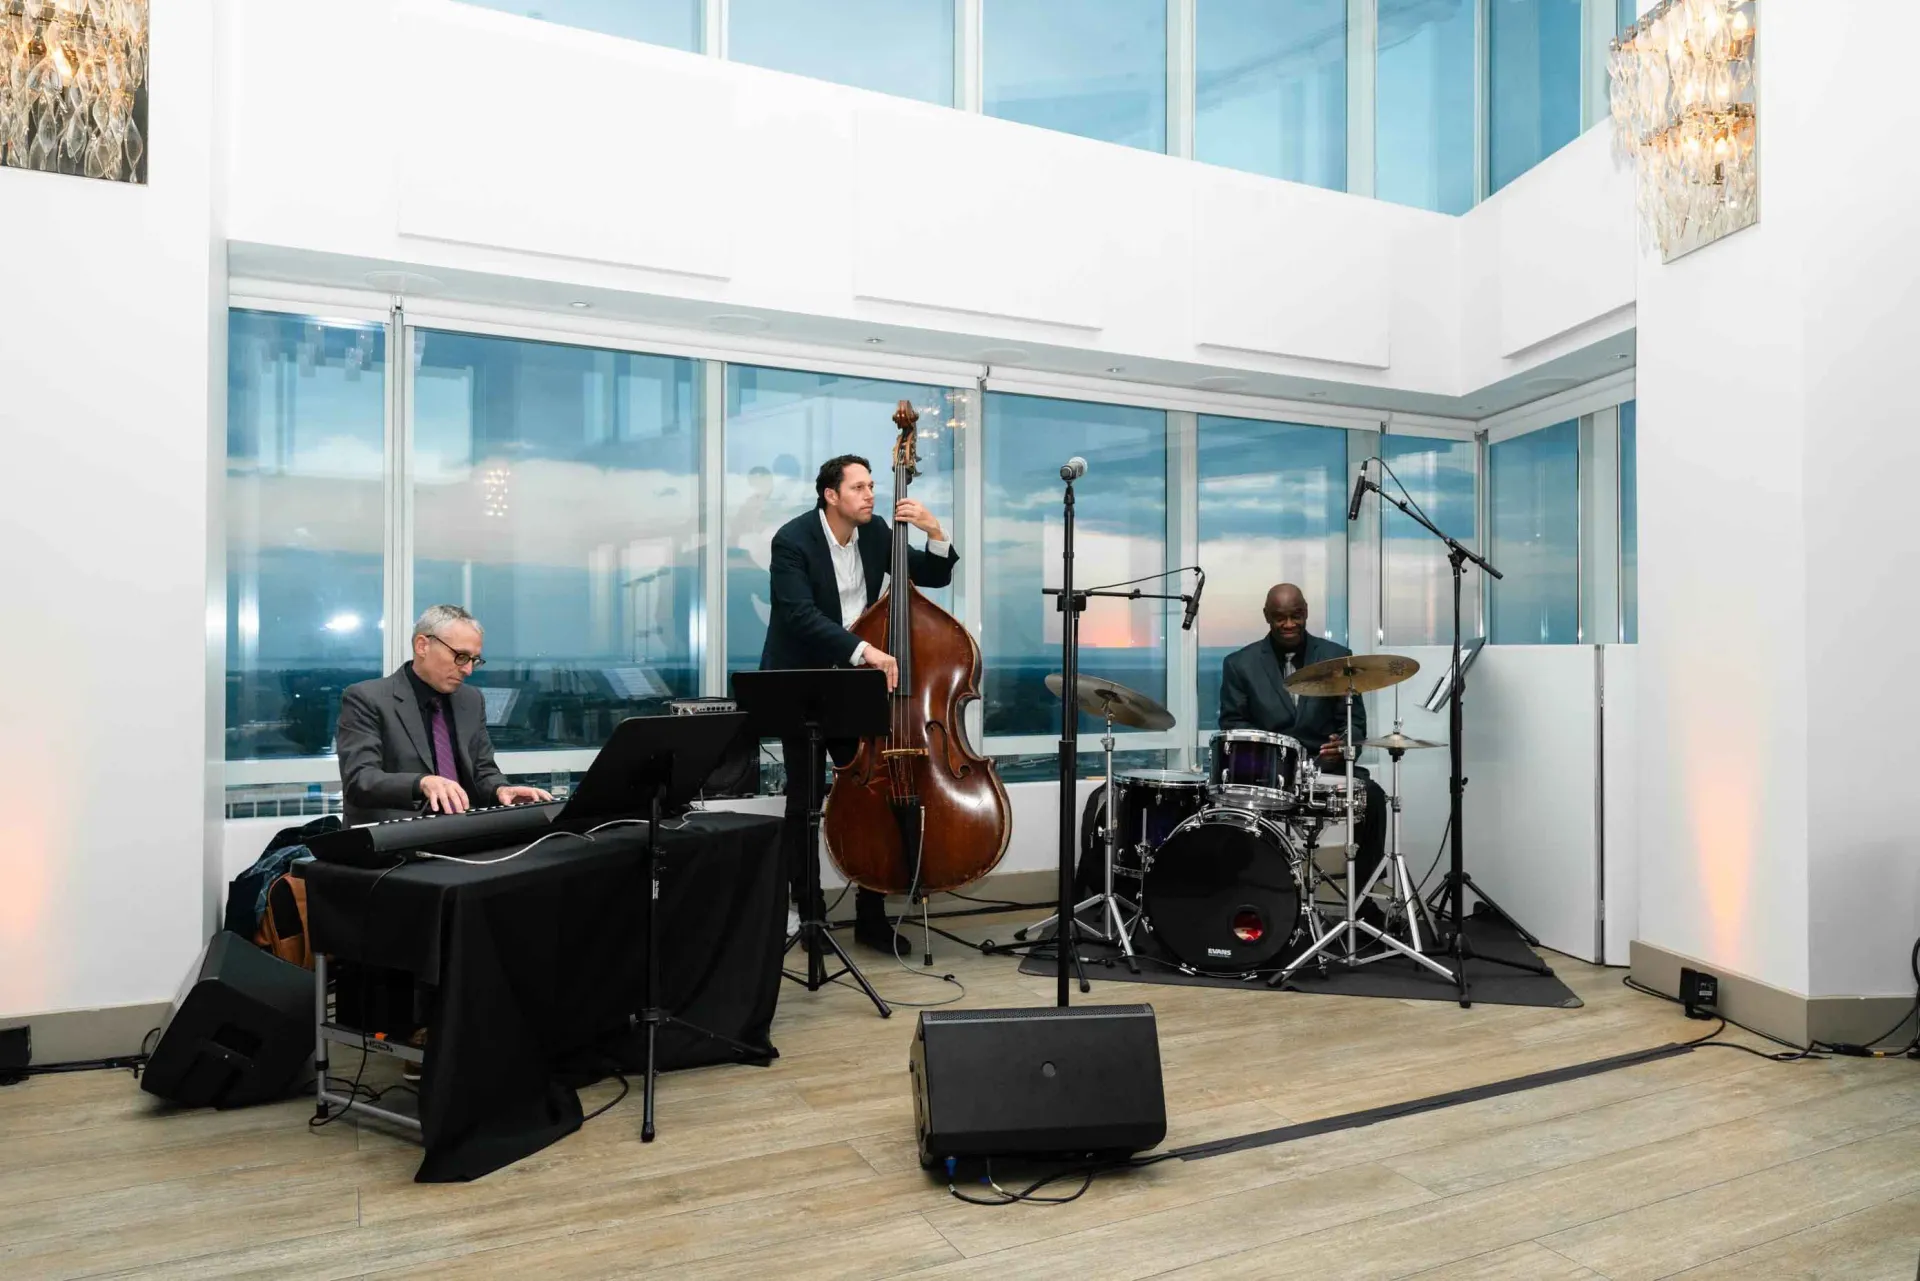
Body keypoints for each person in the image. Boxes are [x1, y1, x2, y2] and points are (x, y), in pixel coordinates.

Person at [760, 454, 957, 957]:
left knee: (877, 789)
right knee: (805, 803)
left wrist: (936, 531)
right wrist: (866, 649)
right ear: (831, 495)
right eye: (859, 487)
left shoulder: (874, 533)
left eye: (872, 485)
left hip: (855, 683)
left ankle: (873, 916)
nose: (871, 495)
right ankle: (810, 917)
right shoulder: (792, 541)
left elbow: (931, 576)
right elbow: (800, 616)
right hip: (803, 683)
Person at [1219, 583, 1387, 889]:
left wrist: (1345, 743)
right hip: (1265, 774)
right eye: (1279, 617)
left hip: (1324, 768)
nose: (1289, 624)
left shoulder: (1338, 659)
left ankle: (1363, 898)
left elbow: (1355, 722)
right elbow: (1232, 723)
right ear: (1266, 616)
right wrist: (1268, 754)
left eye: (1296, 615)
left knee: (1373, 797)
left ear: (1306, 612)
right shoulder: (1239, 664)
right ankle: (1252, 895)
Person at [336, 604, 553, 824]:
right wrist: (422, 783)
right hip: (391, 842)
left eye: (474, 660)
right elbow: (360, 779)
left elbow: (482, 770)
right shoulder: (366, 698)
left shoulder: (471, 700)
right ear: (422, 645)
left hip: (462, 833)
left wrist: (501, 790)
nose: (468, 670)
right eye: (461, 656)